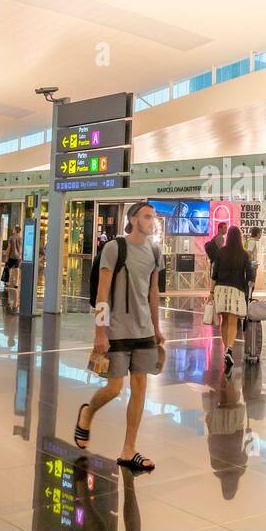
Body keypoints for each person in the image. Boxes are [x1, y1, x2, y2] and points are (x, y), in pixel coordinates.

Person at [75, 202, 165, 475]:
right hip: (116, 330)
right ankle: (88, 412)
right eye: (147, 217)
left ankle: (129, 449)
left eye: (153, 217)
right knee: (114, 389)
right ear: (133, 219)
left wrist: (157, 327)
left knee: (139, 387)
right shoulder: (114, 248)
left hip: (144, 331)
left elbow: (153, 293)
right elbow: (102, 292)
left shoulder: (155, 251)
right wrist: (100, 330)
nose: (152, 221)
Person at [211, 225, 251, 378]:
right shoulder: (244, 254)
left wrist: (211, 292)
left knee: (225, 320)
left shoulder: (221, 252)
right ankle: (229, 348)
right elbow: (250, 275)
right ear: (240, 238)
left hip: (221, 289)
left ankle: (225, 349)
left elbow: (214, 274)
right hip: (236, 289)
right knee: (233, 321)